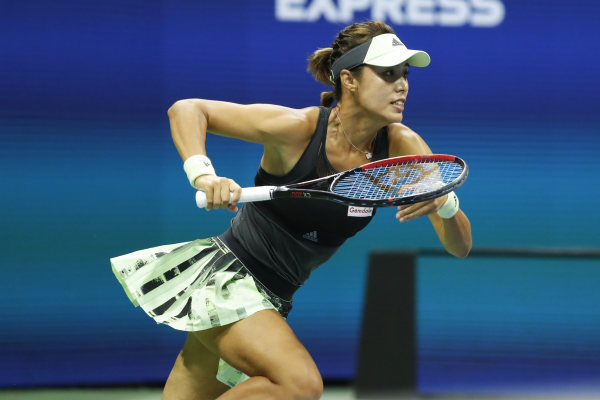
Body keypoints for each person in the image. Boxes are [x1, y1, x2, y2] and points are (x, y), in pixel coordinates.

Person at [111, 20, 472, 400]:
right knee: (300, 384)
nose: (402, 85)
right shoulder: (298, 129)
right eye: (387, 74)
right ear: (349, 79)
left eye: (404, 74)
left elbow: (460, 247)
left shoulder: (403, 147)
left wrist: (445, 204)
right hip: (228, 281)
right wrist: (203, 176)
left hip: (275, 297)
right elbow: (187, 109)